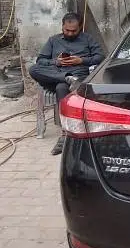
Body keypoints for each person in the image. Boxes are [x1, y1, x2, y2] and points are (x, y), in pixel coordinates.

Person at [29, 12, 104, 155]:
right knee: (33, 69)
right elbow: (41, 61)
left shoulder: (87, 39)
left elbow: (100, 57)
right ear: (62, 26)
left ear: (80, 27)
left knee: (61, 88)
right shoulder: (53, 40)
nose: (70, 33)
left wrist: (81, 60)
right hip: (56, 74)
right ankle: (67, 77)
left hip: (79, 76)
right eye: (67, 30)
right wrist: (56, 62)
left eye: (73, 31)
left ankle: (65, 135)